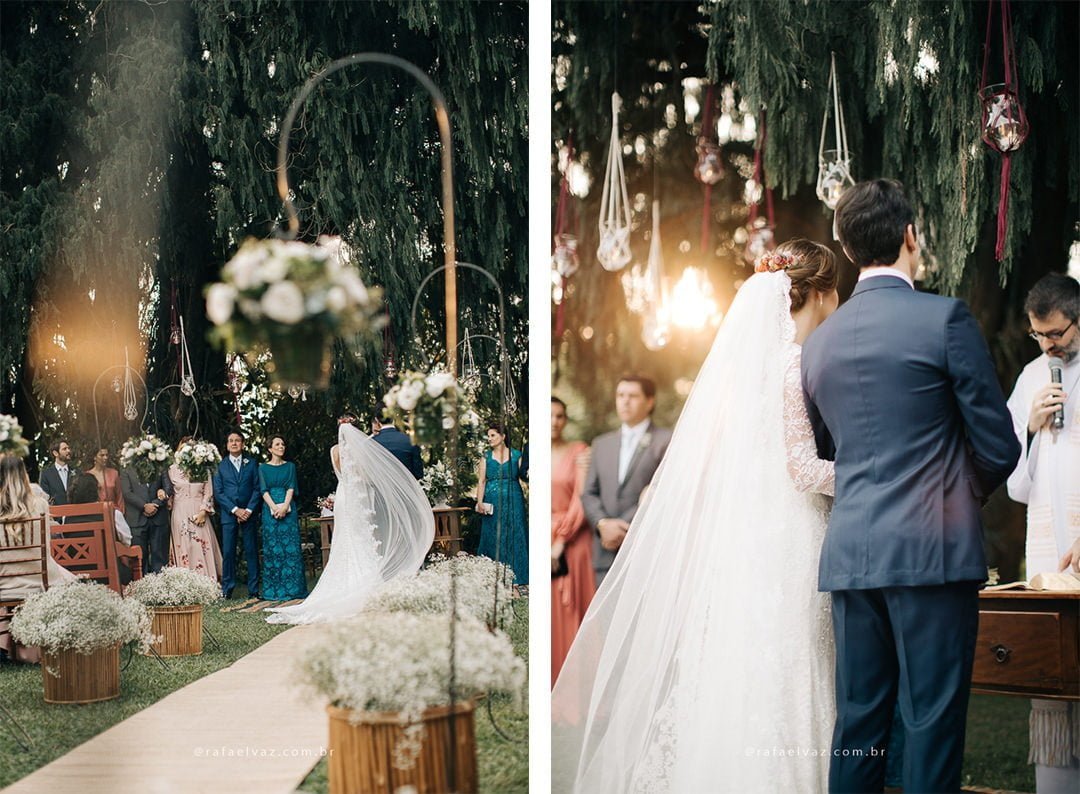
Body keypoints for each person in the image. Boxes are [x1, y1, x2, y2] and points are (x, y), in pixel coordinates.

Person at [552, 240, 839, 792]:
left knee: (745, 665)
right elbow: (802, 468)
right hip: (791, 536)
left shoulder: (741, 380)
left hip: (749, 540)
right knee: (789, 663)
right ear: (820, 293)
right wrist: (868, 476)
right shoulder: (793, 364)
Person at [802, 179, 1020, 793]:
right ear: (910, 237)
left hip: (850, 554)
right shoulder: (943, 317)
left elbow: (826, 453)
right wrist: (952, 493)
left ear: (847, 251)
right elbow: (998, 444)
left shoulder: (818, 345)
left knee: (860, 722)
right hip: (933, 553)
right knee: (930, 720)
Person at [1005, 272, 1080, 792]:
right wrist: (1029, 431)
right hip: (1048, 547)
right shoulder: (1032, 377)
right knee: (1054, 677)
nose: (1049, 345)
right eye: (1040, 335)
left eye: (1057, 334)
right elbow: (1014, 484)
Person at [265, 420, 434, 624]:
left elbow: (341, 474)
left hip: (343, 496)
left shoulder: (334, 450)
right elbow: (364, 475)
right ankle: (365, 582)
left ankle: (346, 582)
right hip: (357, 497)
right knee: (361, 537)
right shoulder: (360, 450)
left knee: (345, 538)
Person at [581, 375, 672, 587]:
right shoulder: (601, 444)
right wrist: (603, 524)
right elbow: (589, 493)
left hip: (645, 549)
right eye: (620, 395)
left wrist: (624, 527)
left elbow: (664, 491)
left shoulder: (666, 441)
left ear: (650, 401)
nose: (625, 401)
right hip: (605, 551)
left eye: (633, 396)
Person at [0, 455, 78, 663]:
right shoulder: (40, 505)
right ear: (24, 475)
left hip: (4, 585)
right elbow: (47, 552)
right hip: (39, 581)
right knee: (70, 579)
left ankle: (5, 645)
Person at [550, 396, 592, 686]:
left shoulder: (579, 452)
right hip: (544, 533)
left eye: (560, 416)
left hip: (573, 541)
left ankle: (578, 693)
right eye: (549, 415)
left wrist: (561, 540)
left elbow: (581, 497)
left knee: (575, 614)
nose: (554, 422)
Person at [475, 422, 528, 587]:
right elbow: (481, 481)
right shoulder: (486, 458)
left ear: (503, 436)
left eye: (493, 435)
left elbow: (525, 477)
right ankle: (492, 574)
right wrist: (479, 502)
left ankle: (519, 574)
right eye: (488, 436)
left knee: (515, 532)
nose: (489, 439)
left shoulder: (517, 456)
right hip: (492, 500)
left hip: (514, 498)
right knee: (492, 534)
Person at [212, 429, 261, 599]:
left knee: (251, 551)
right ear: (226, 445)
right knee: (228, 552)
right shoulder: (219, 466)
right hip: (229, 515)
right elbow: (218, 492)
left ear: (242, 443)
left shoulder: (252, 463)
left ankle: (254, 590)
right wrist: (235, 510)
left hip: (249, 513)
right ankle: (227, 589)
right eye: (230, 440)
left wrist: (248, 510)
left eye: (237, 440)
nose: (234, 443)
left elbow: (257, 488)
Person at [165, 438, 222, 583]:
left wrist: (203, 512)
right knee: (184, 546)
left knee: (200, 545)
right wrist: (163, 495)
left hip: (199, 511)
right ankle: (185, 585)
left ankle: (207, 583)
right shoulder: (172, 470)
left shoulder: (203, 469)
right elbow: (169, 492)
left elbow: (208, 493)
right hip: (180, 512)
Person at [67, 471, 138, 584]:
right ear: (96, 491)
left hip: (77, 577)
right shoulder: (112, 513)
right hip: (109, 575)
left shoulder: (66, 517)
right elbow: (127, 541)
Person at [258, 435, 306, 601]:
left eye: (283, 444)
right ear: (270, 449)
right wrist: (274, 508)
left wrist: (285, 506)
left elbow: (291, 487)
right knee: (273, 549)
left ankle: (294, 589)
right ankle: (275, 590)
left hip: (288, 509)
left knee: (290, 548)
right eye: (277, 444)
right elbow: (263, 490)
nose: (281, 446)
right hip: (270, 509)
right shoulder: (263, 468)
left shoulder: (290, 466)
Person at [120, 459, 171, 575]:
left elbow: (168, 487)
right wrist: (144, 506)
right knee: (139, 559)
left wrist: (156, 504)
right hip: (137, 519)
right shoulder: (126, 467)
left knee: (160, 558)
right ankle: (141, 588)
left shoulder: (159, 465)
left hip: (158, 518)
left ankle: (161, 587)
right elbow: (126, 492)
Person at [370, 406, 423, 479]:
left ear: (376, 419)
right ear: (394, 417)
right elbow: (418, 474)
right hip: (406, 488)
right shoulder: (410, 441)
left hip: (380, 489)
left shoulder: (371, 443)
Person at [85, 446, 125, 513]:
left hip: (113, 511)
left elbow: (119, 496)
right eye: (102, 455)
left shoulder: (114, 473)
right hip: (96, 512)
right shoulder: (88, 475)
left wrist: (121, 512)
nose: (105, 458)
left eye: (107, 455)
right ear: (95, 457)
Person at [39, 438, 73, 507]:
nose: (68, 451)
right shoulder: (46, 474)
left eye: (68, 448)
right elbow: (45, 498)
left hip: (76, 514)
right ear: (55, 453)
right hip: (56, 515)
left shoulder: (77, 472)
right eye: (64, 449)